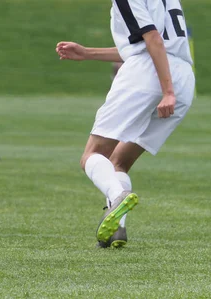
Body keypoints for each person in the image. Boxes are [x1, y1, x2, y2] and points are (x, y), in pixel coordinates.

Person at [56, 0, 194, 248]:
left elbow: (152, 40)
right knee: (119, 161)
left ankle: (116, 196)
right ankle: (117, 229)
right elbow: (143, 44)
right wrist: (88, 53)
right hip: (184, 76)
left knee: (93, 154)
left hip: (149, 73)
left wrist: (167, 91)